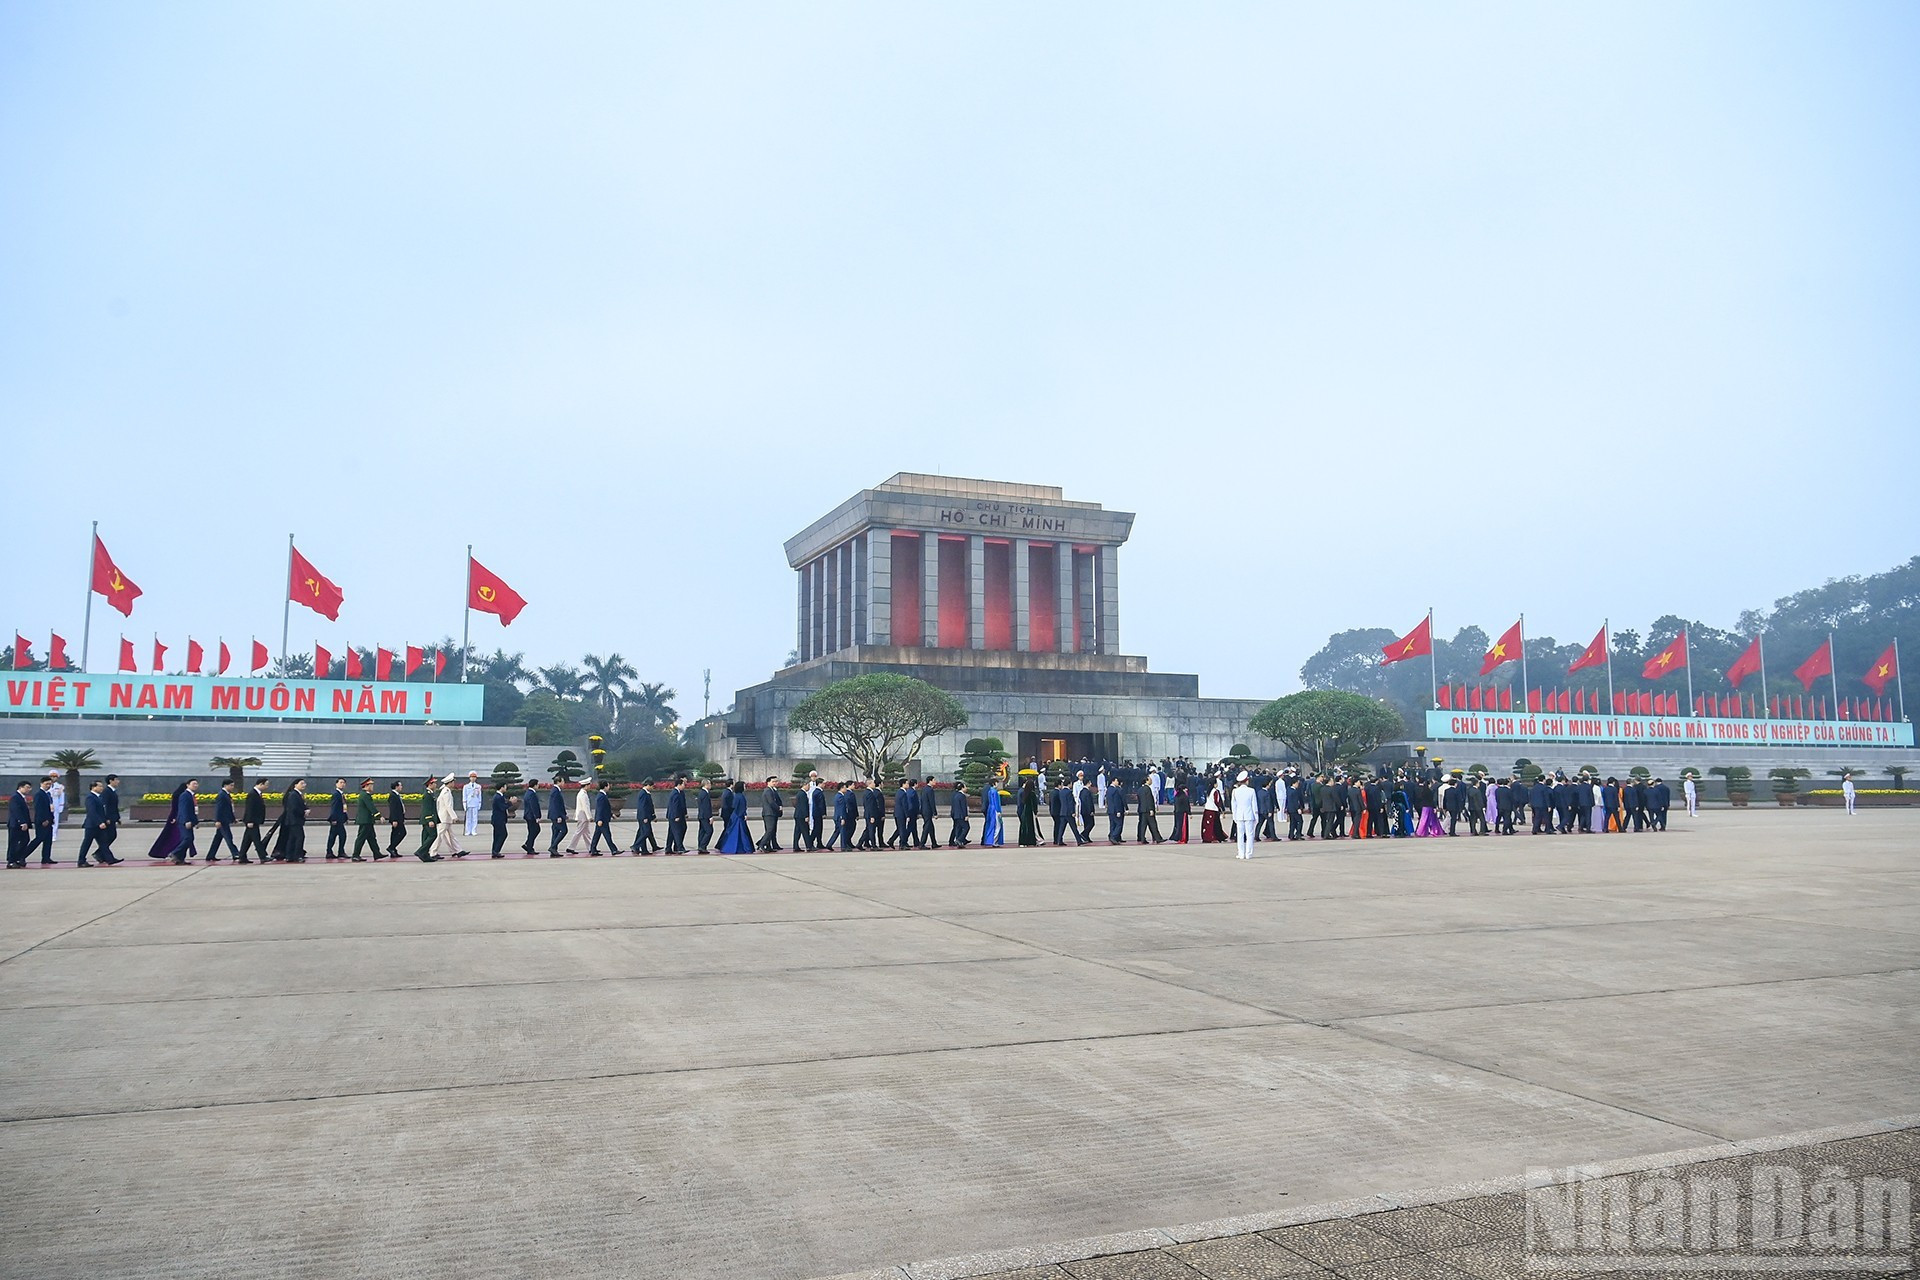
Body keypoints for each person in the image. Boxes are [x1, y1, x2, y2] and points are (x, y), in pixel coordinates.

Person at [147, 779, 201, 864]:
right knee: (187, 838)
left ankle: (180, 859)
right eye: (194, 784)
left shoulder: (191, 795)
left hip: (189, 821)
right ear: (187, 785)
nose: (196, 785)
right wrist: (186, 821)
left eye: (197, 784)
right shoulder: (184, 795)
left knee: (186, 839)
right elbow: (183, 810)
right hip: (184, 821)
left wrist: (195, 822)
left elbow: (192, 810)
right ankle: (174, 853)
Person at [77, 780, 115, 867]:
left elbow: (101, 811)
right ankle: (81, 860)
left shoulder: (99, 797)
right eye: (100, 786)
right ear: (94, 787)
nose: (102, 788)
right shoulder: (90, 797)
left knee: (104, 843)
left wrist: (105, 820)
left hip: (100, 825)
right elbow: (92, 812)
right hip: (92, 825)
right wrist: (100, 822)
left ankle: (110, 859)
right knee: (87, 843)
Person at [238, 779, 272, 863]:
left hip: (255, 820)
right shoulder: (252, 794)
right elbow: (250, 808)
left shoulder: (257, 794)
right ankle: (263, 856)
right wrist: (250, 821)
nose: (267, 787)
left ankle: (242, 857)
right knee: (257, 839)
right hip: (252, 821)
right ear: (261, 784)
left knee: (247, 839)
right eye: (266, 785)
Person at [206, 780, 240, 861]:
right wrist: (217, 820)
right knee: (228, 837)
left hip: (225, 819)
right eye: (231, 785)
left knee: (217, 839)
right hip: (222, 820)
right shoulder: (221, 795)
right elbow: (219, 809)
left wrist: (233, 819)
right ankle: (235, 854)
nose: (232, 787)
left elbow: (229, 809)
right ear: (225, 785)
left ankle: (211, 855)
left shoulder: (226, 795)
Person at [717, 780, 754, 853]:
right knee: (740, 832)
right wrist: (743, 814)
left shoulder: (736, 795)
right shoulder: (740, 796)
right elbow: (739, 807)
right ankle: (743, 847)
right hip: (738, 816)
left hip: (736, 815)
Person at [435, 772, 466, 857]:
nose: (454, 783)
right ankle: (432, 852)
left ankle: (457, 851)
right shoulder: (446, 792)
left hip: (445, 818)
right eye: (453, 782)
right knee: (440, 836)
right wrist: (454, 817)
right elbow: (448, 806)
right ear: (450, 782)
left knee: (450, 835)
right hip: (444, 818)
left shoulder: (446, 791)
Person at [26, 777, 56, 864]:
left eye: (50, 784)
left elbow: (50, 808)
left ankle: (46, 858)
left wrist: (51, 818)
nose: (48, 786)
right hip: (42, 821)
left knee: (48, 840)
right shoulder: (39, 794)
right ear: (41, 784)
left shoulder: (48, 794)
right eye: (46, 784)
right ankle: (22, 855)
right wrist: (44, 819)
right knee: (38, 839)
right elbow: (39, 809)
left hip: (49, 820)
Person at [413, 778, 444, 862]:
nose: (436, 785)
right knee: (433, 835)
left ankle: (425, 855)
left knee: (426, 837)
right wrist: (430, 820)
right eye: (434, 783)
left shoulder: (430, 794)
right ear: (430, 784)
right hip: (428, 819)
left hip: (429, 819)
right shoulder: (427, 795)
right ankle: (421, 851)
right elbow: (427, 809)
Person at [1230, 770, 1259, 859]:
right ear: (1246, 780)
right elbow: (1254, 805)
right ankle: (1248, 853)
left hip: (1239, 815)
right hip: (1249, 814)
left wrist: (1234, 816)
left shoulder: (1235, 791)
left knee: (1240, 835)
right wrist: (1256, 816)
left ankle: (1241, 853)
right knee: (1250, 835)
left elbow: (1233, 805)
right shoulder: (1251, 791)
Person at [8, 781, 36, 868]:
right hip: (16, 824)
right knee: (14, 843)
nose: (29, 789)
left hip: (23, 825)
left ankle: (18, 858)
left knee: (25, 840)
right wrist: (22, 822)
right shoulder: (15, 797)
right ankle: (11, 861)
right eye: (27, 787)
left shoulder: (22, 797)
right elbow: (16, 811)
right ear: (20, 787)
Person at [352, 779, 381, 861]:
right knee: (361, 838)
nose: (372, 787)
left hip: (367, 820)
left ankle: (377, 853)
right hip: (365, 820)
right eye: (371, 785)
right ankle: (355, 855)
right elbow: (371, 807)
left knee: (372, 837)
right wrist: (378, 816)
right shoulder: (365, 795)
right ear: (366, 786)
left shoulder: (365, 794)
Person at [565, 779, 595, 853]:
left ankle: (591, 847)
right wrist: (589, 817)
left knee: (586, 833)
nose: (590, 786)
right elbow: (585, 807)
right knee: (579, 831)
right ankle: (571, 847)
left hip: (583, 815)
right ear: (586, 785)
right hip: (583, 815)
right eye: (589, 785)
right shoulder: (582, 794)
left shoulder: (583, 793)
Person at [630, 781, 660, 854]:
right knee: (646, 832)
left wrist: (653, 816)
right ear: (648, 785)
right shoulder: (643, 793)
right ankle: (635, 846)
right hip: (644, 817)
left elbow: (650, 806)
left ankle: (645, 850)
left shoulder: (646, 793)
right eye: (652, 786)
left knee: (643, 832)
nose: (652, 788)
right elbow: (643, 807)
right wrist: (644, 817)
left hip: (646, 816)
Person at [588, 782, 618, 855]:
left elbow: (605, 808)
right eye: (608, 785)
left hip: (603, 818)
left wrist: (611, 814)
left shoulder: (603, 795)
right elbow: (600, 809)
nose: (609, 787)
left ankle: (593, 849)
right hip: (602, 819)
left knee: (597, 835)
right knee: (607, 835)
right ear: (605, 787)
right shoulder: (601, 796)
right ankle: (613, 850)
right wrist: (599, 819)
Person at [324, 779, 349, 859]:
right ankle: (333, 852)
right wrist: (333, 819)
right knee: (339, 836)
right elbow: (334, 807)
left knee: (335, 836)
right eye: (340, 782)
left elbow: (343, 807)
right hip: (336, 819)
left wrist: (345, 817)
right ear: (336, 784)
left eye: (344, 783)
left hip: (340, 819)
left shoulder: (341, 794)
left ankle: (332, 852)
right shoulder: (336, 794)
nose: (342, 784)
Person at [759, 778, 784, 852]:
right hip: (769, 813)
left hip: (772, 813)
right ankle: (762, 844)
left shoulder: (772, 790)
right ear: (768, 782)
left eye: (776, 781)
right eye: (773, 781)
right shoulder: (768, 791)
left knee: (772, 830)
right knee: (770, 830)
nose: (775, 783)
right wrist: (778, 808)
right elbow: (771, 802)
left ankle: (768, 846)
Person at [665, 777, 689, 854]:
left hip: (679, 815)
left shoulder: (679, 792)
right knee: (677, 832)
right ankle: (679, 848)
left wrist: (685, 813)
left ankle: (668, 848)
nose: (684, 786)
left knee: (672, 832)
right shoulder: (675, 793)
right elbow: (674, 806)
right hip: (674, 816)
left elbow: (682, 804)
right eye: (683, 784)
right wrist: (676, 816)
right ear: (679, 784)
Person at [385, 781, 409, 857]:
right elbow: (393, 809)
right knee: (403, 832)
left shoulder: (396, 795)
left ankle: (393, 850)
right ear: (396, 787)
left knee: (395, 834)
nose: (401, 787)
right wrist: (394, 820)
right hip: (397, 819)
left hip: (399, 818)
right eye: (400, 785)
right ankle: (391, 847)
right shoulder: (393, 795)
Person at [1016, 776, 1040, 846]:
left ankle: (1023, 842)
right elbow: (1034, 804)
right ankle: (1031, 841)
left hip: (1024, 811)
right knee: (1031, 827)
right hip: (1030, 811)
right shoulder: (1032, 794)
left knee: (1023, 827)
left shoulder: (1023, 793)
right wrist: (1036, 812)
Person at [547, 780, 570, 855]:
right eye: (563, 781)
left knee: (555, 832)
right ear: (558, 782)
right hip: (556, 815)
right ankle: (553, 847)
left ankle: (554, 850)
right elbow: (555, 805)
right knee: (564, 830)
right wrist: (559, 816)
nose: (564, 783)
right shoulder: (555, 791)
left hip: (556, 815)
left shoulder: (556, 790)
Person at [521, 780, 543, 854]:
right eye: (537, 784)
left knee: (533, 831)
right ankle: (529, 847)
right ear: (535, 785)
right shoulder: (532, 794)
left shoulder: (528, 792)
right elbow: (534, 806)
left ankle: (528, 845)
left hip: (528, 815)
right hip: (531, 816)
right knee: (535, 830)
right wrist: (537, 816)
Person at [489, 783, 511, 857]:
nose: (506, 788)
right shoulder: (498, 797)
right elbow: (502, 807)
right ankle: (496, 851)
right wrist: (510, 803)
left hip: (498, 819)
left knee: (497, 835)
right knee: (503, 834)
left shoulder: (499, 796)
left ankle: (495, 851)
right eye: (505, 787)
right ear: (501, 788)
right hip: (498, 819)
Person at [695, 779, 715, 853]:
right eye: (709, 784)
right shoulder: (705, 794)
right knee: (709, 831)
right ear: (706, 784)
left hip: (701, 815)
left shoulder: (701, 793)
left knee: (702, 831)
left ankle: (700, 846)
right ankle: (702, 846)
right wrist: (710, 817)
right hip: (705, 816)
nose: (710, 785)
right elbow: (706, 807)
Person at [1074, 778, 1096, 845]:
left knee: (1086, 824)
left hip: (1083, 810)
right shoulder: (1087, 792)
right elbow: (1089, 802)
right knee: (1091, 823)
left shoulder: (1082, 791)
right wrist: (1091, 810)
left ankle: (1086, 836)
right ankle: (1084, 834)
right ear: (1088, 783)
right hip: (1087, 811)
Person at [462, 771, 483, 836]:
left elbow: (479, 795)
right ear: (469, 778)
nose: (473, 778)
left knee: (474, 818)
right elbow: (464, 795)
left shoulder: (478, 786)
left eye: (474, 777)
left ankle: (473, 830)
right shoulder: (466, 786)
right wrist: (464, 804)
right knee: (468, 818)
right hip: (468, 803)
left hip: (475, 803)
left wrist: (479, 803)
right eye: (472, 777)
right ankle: (468, 831)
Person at [47, 773, 65, 844]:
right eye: (51, 776)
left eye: (54, 777)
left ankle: (54, 835)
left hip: (56, 803)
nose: (53, 778)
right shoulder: (46, 785)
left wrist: (61, 805)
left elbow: (61, 797)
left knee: (55, 820)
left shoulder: (60, 786)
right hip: (47, 803)